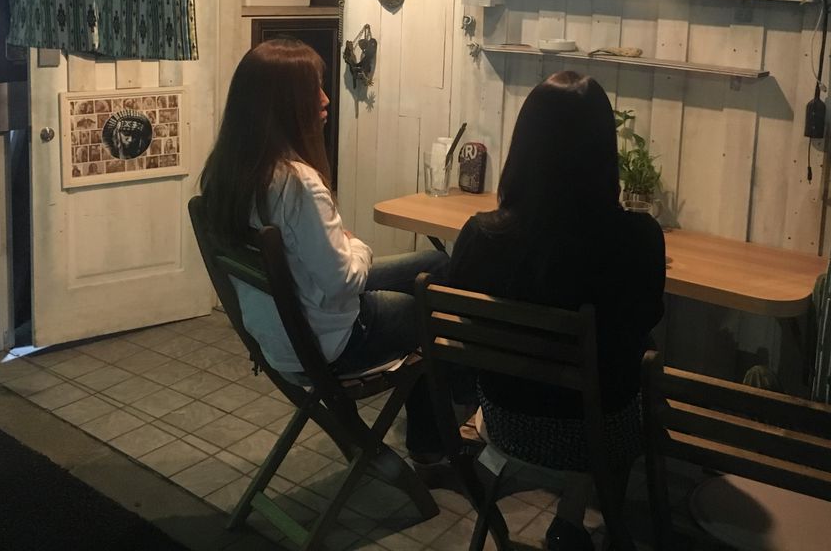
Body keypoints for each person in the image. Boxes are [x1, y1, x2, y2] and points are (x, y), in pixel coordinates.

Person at [200, 37, 447, 461]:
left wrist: (343, 248)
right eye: (313, 89)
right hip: (327, 342)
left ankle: (434, 431)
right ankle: (434, 444)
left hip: (276, 335)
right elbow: (343, 283)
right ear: (283, 105)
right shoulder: (297, 184)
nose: (326, 98)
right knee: (431, 308)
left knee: (436, 263)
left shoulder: (226, 174)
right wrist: (358, 246)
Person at [448, 71, 665, 551]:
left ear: (524, 147)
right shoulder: (637, 239)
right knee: (632, 362)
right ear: (604, 152)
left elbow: (463, 315)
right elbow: (647, 317)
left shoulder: (482, 235)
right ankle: (578, 521)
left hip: (505, 419)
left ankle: (561, 520)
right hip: (597, 431)